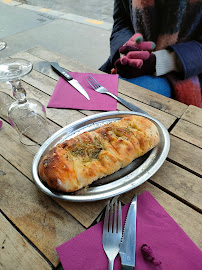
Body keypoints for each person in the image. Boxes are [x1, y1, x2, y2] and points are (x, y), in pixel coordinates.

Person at [100, 0, 202, 107]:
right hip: (125, 63)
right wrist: (127, 49)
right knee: (92, 91)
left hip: (187, 70)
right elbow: (122, 21)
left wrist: (158, 62)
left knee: (124, 93)